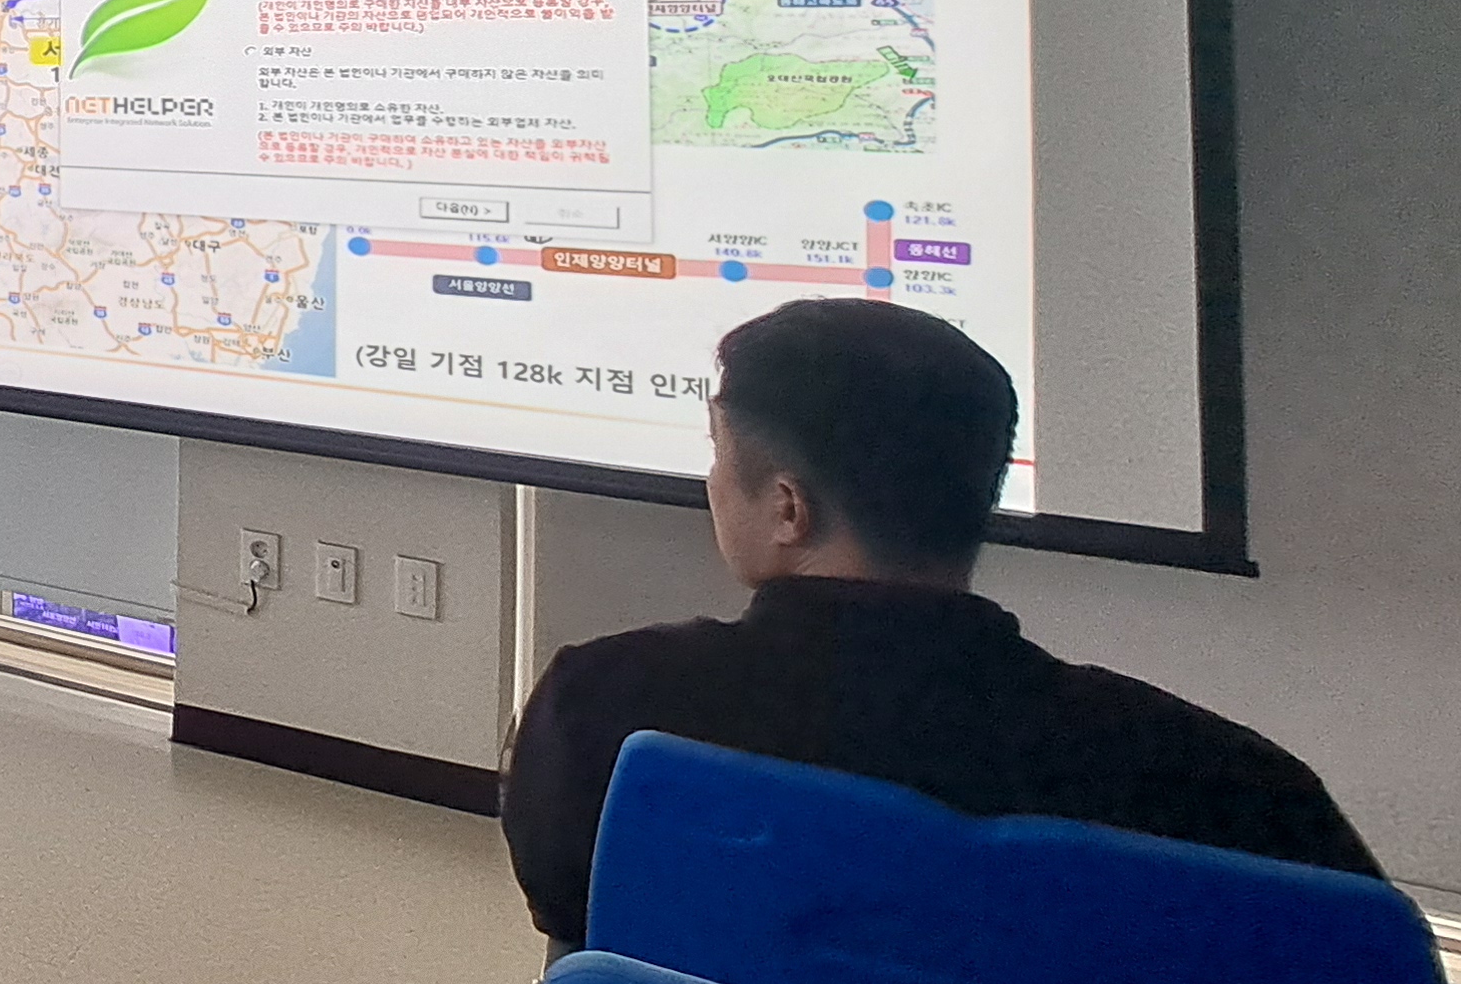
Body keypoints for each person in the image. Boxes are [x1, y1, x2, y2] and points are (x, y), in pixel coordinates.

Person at [501, 298, 1379, 947]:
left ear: (788, 508)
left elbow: (579, 926)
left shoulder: (606, 709)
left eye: (718, 460)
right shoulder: (1229, 786)